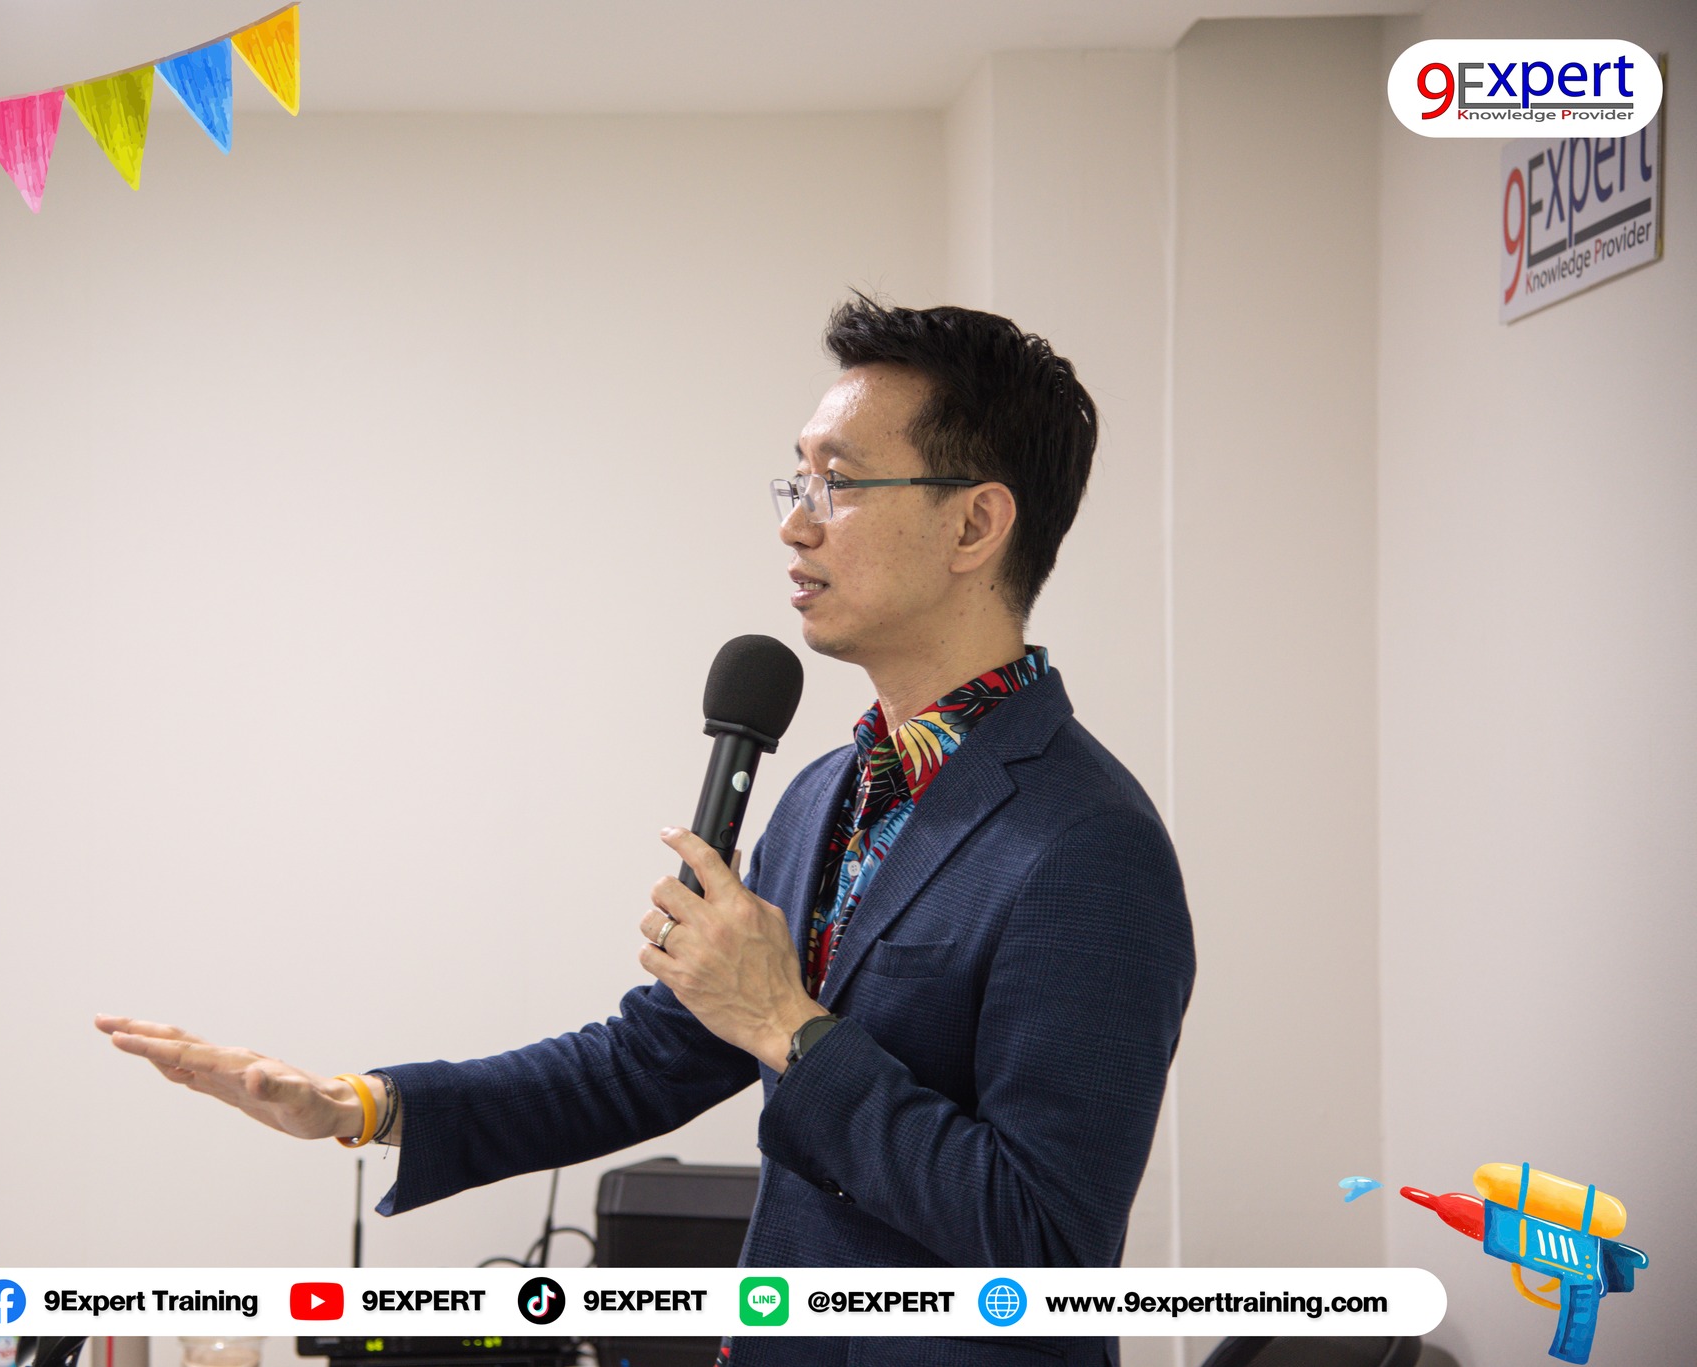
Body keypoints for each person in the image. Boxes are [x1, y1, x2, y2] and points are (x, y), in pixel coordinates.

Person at [99, 298, 1195, 1367]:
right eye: (797, 478)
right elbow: (649, 1059)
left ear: (974, 524)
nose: (795, 521)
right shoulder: (829, 790)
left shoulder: (1085, 843)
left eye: (840, 482)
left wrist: (789, 1025)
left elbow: (1048, 1242)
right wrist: (361, 1105)